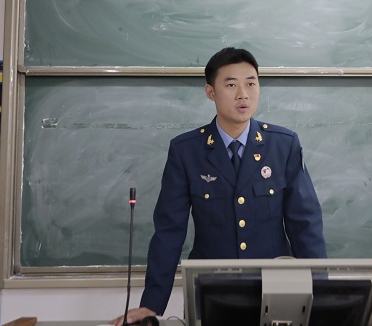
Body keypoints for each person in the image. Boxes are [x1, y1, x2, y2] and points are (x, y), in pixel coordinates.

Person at [110, 47, 327, 325]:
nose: (243, 94)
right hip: (211, 294)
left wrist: (323, 296)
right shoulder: (187, 151)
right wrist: (151, 304)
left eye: (251, 83)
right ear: (211, 92)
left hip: (275, 293)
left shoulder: (283, 145)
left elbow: (305, 224)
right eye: (231, 85)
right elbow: (169, 231)